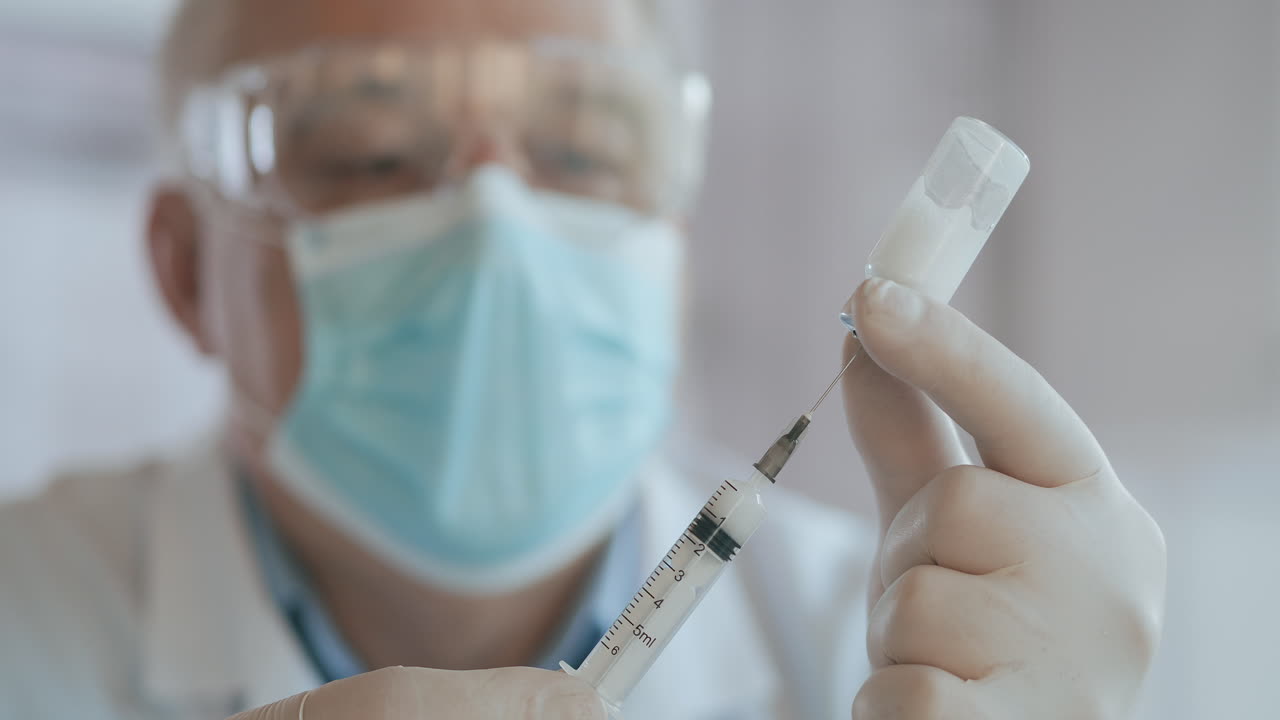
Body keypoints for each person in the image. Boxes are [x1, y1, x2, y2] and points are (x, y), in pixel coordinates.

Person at [0, 0, 1167, 718]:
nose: (497, 223)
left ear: (675, 237)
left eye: (578, 148)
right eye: (365, 155)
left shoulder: (890, 659)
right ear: (182, 268)